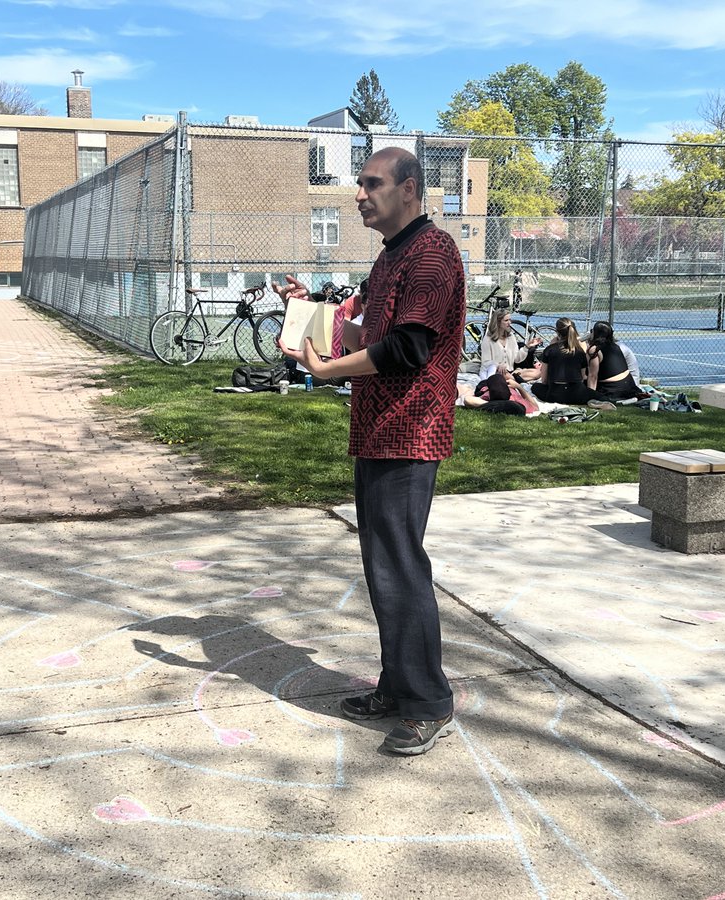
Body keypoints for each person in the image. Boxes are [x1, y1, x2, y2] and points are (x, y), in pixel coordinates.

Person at [274, 147, 464, 756]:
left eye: (371, 183)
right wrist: (307, 317)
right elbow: (365, 337)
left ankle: (428, 702)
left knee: (401, 567)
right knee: (383, 566)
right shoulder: (390, 259)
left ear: (409, 189)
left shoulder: (433, 253)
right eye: (359, 183)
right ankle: (397, 684)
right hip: (379, 427)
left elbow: (408, 348)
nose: (359, 194)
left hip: (412, 430)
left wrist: (328, 374)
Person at [529, 317, 603, 406]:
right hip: (577, 394)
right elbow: (582, 377)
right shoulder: (580, 351)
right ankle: (600, 401)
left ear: (557, 332)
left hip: (554, 395)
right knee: (598, 395)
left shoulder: (549, 350)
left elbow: (544, 380)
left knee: (535, 387)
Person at [479, 307, 541, 383]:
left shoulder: (511, 336)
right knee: (505, 375)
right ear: (498, 322)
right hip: (496, 372)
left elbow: (517, 359)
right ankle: (516, 381)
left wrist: (527, 347)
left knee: (538, 373)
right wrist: (497, 365)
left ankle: (514, 380)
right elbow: (485, 361)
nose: (509, 323)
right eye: (506, 320)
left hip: (511, 371)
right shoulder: (488, 339)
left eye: (510, 320)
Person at [586, 321, 644, 402]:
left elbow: (593, 376)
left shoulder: (594, 350)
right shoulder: (616, 346)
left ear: (595, 333)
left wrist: (590, 397)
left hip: (612, 390)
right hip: (629, 386)